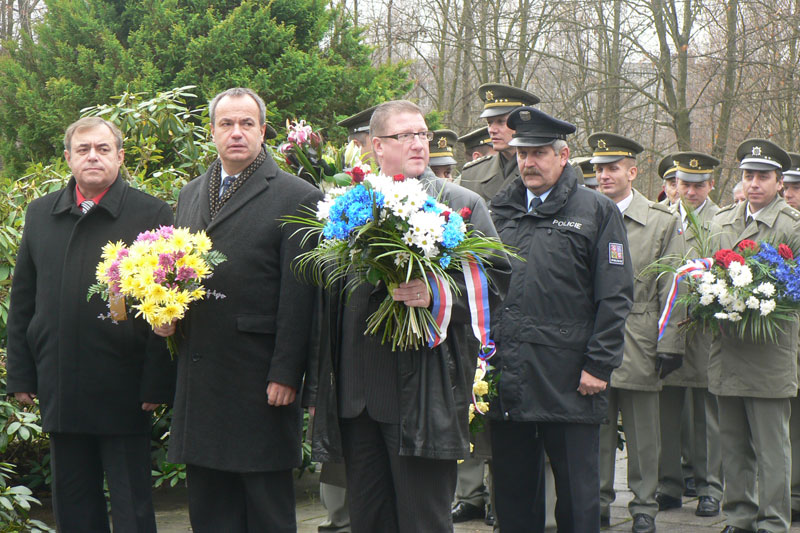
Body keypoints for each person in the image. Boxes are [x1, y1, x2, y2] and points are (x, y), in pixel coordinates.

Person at [310, 99, 511, 533]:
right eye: (405, 135)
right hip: (355, 399)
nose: (419, 143)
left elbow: (495, 284)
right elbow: (327, 299)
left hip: (421, 396)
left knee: (423, 521)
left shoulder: (460, 203)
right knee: (368, 521)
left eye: (422, 133)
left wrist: (436, 294)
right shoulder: (348, 205)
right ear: (377, 146)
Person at [154, 87, 323, 532]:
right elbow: (178, 272)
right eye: (226, 123)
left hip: (259, 377)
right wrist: (165, 313)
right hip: (201, 373)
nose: (236, 132)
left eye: (247, 123)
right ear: (212, 131)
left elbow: (300, 295)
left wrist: (287, 373)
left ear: (263, 131)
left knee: (265, 510)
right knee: (211, 511)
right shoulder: (191, 193)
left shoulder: (297, 196)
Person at [6, 116, 174, 532]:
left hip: (125, 384)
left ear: (120, 156)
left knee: (132, 504)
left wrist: (157, 381)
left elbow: (166, 304)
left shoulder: (151, 212)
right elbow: (24, 299)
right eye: (83, 150)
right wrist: (22, 374)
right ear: (68, 158)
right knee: (73, 501)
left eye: (103, 149)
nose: (93, 157)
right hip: (61, 382)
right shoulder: (41, 213)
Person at [487, 107, 633, 533]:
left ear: (563, 155)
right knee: (513, 495)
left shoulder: (596, 210)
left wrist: (599, 364)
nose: (528, 163)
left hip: (569, 377)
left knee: (577, 498)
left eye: (538, 153)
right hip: (509, 373)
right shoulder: (500, 210)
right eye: (522, 154)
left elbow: (615, 294)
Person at [591, 132, 685, 533]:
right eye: (599, 168)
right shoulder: (585, 213)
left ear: (632, 172)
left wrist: (671, 343)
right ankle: (596, 501)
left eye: (612, 168)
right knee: (595, 428)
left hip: (642, 337)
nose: (604, 175)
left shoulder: (661, 221)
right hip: (592, 338)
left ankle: (644, 504)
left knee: (644, 432)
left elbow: (674, 286)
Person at [709, 139, 800, 533]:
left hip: (770, 350)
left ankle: (774, 520)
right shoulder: (721, 221)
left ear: (779, 182)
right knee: (732, 442)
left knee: (771, 445)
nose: (754, 183)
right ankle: (739, 516)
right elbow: (705, 272)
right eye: (748, 175)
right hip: (728, 346)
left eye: (763, 176)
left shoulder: (792, 226)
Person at [655, 152, 723, 518]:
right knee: (666, 411)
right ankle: (669, 485)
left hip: (705, 329)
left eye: (698, 185)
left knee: (706, 414)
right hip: (664, 327)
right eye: (685, 184)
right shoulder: (660, 218)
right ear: (675, 185)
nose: (691, 192)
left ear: (711, 185)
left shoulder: (722, 221)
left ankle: (710, 487)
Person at [459, 83, 540, 200]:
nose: (492, 130)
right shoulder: (472, 174)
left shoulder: (545, 170)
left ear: (522, 122)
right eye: (489, 122)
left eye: (501, 121)